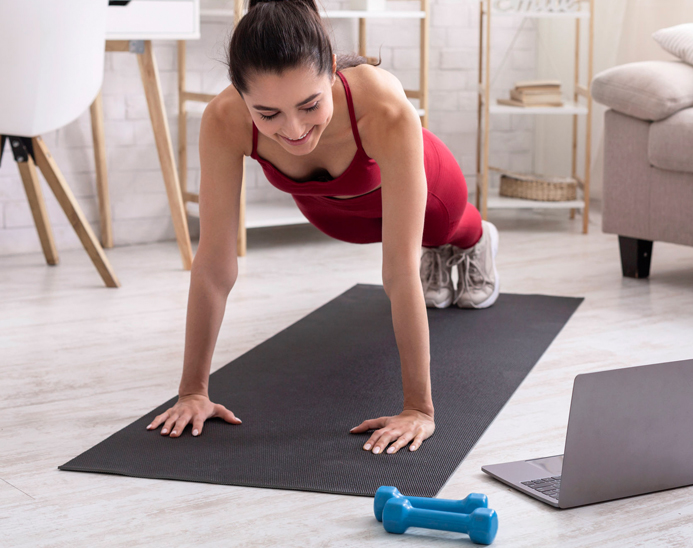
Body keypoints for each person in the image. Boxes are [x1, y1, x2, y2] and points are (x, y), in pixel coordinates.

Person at [146, 0, 499, 456]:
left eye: (310, 105)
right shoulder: (224, 118)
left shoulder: (382, 104)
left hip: (433, 194)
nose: (292, 130)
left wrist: (419, 409)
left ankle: (475, 241)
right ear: (239, 92)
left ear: (332, 70)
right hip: (332, 211)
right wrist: (193, 390)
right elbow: (214, 265)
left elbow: (396, 271)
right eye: (268, 114)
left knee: (442, 231)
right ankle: (441, 250)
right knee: (392, 246)